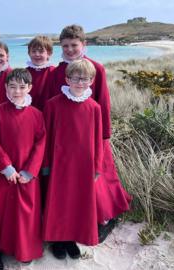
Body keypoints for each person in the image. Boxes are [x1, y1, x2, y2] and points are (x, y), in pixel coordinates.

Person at [46, 25, 131, 242]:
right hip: (67, 139)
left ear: (83, 45)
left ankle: (106, 217)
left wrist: (104, 134)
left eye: (74, 45)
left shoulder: (96, 68)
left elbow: (103, 102)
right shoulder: (57, 72)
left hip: (92, 134)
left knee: (99, 178)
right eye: (65, 45)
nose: (70, 49)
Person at [42, 59, 103, 259]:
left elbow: (97, 139)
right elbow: (46, 136)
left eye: (84, 79)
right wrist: (46, 164)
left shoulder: (94, 107)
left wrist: (97, 166)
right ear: (67, 79)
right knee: (59, 201)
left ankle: (71, 239)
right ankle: (58, 239)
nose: (79, 82)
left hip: (83, 164)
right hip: (59, 163)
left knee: (77, 202)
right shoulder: (53, 104)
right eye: (75, 78)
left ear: (91, 81)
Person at [0, 69, 46, 269]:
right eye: (12, 86)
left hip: (27, 174)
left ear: (29, 88)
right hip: (4, 173)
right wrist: (6, 167)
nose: (17, 91)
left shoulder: (37, 115)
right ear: (5, 88)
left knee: (25, 213)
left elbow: (41, 143)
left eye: (22, 87)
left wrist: (30, 171)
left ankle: (24, 249)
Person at [25, 36, 55, 111]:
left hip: (49, 111)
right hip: (29, 111)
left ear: (49, 53)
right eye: (33, 51)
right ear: (29, 53)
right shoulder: (24, 72)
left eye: (41, 51)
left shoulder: (54, 71)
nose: (37, 54)